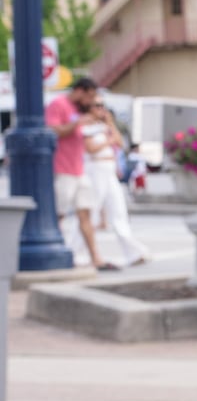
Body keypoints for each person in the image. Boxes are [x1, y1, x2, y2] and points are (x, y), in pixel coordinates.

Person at [44, 76, 118, 271]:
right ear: (80, 91)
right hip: (62, 168)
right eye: (89, 96)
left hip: (79, 168)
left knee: (85, 212)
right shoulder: (58, 104)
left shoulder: (79, 110)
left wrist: (100, 119)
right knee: (59, 213)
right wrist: (78, 123)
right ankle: (53, 252)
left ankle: (96, 258)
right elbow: (54, 130)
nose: (89, 102)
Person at [81, 103, 150, 267]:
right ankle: (74, 250)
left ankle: (133, 252)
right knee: (91, 212)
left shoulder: (105, 127)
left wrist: (110, 124)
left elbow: (120, 143)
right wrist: (108, 140)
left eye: (102, 107)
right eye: (97, 106)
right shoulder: (86, 126)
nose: (101, 110)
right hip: (95, 169)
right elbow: (90, 148)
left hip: (109, 170)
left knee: (118, 211)